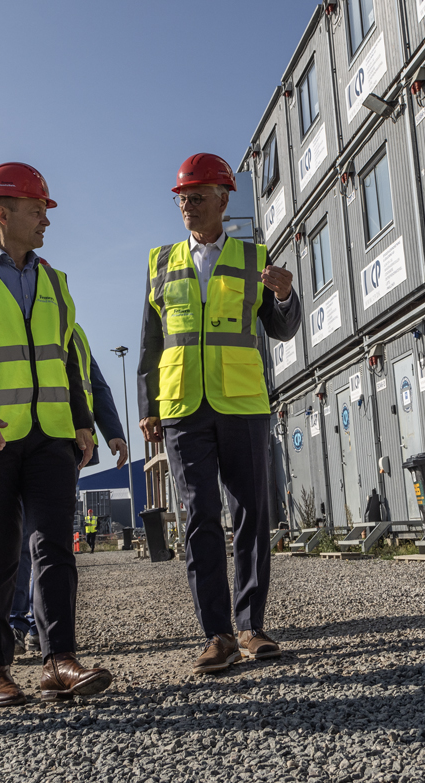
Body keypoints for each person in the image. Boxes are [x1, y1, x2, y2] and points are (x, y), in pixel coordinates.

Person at [0, 162, 113, 707]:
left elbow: (65, 360)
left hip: (51, 435)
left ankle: (59, 660)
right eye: (38, 211)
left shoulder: (56, 281)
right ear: (1, 214)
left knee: (55, 546)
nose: (46, 222)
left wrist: (82, 422)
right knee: (0, 552)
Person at [137, 153, 302, 676]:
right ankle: (217, 635)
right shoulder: (160, 262)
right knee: (200, 519)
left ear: (225, 200)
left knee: (252, 513)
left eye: (198, 197)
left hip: (243, 404)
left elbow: (282, 328)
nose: (188, 206)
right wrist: (149, 407)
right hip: (184, 407)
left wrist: (287, 293)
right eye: (182, 198)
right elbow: (150, 342)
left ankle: (251, 625)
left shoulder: (255, 260)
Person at [9, 335, 130, 654]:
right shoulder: (10, 324)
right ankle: (15, 622)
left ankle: (38, 625)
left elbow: (96, 384)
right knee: (20, 537)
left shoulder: (70, 331)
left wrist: (113, 432)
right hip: (15, 443)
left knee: (47, 539)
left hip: (64, 446)